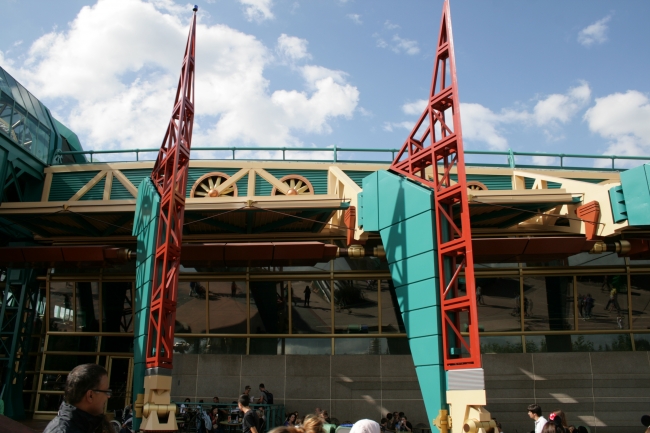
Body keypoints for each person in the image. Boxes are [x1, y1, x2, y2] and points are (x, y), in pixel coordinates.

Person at [43, 363, 112, 433]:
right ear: (90, 395)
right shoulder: (63, 430)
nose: (108, 396)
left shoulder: (88, 425)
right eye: (106, 391)